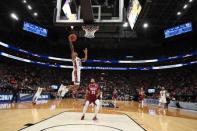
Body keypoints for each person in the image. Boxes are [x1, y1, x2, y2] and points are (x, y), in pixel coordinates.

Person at [68, 34, 88, 99]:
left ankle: (71, 92)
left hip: (78, 72)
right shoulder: (73, 57)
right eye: (73, 52)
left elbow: (85, 59)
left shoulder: (79, 59)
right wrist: (70, 41)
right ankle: (64, 88)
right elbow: (72, 48)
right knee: (76, 85)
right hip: (76, 72)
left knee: (77, 86)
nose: (74, 52)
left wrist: (86, 53)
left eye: (75, 52)